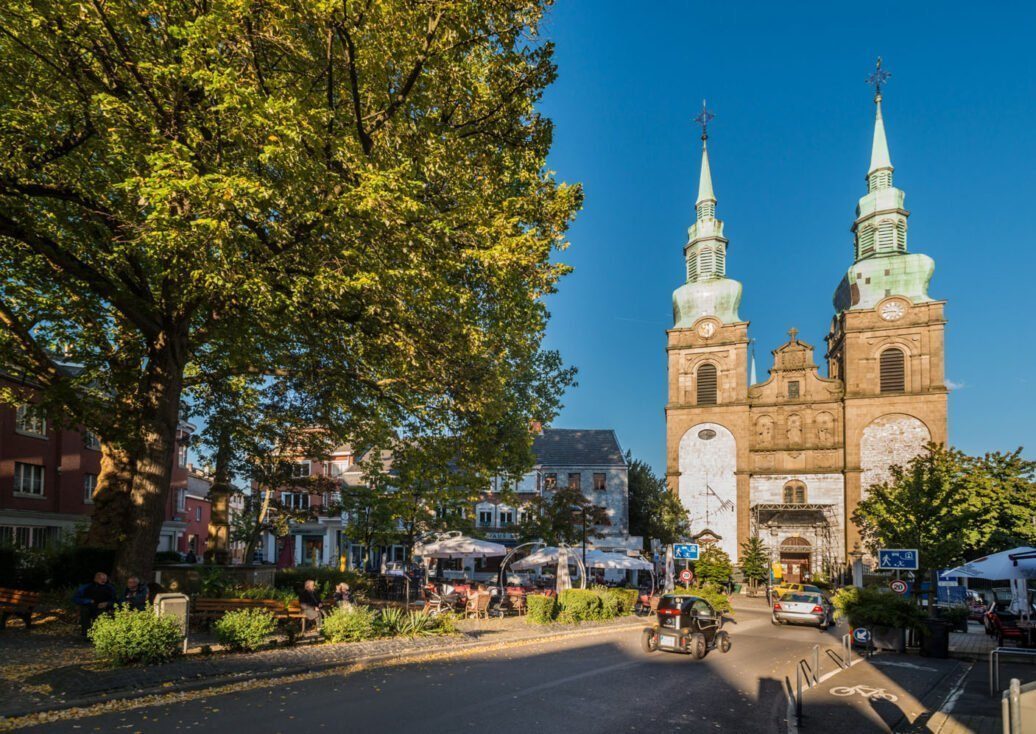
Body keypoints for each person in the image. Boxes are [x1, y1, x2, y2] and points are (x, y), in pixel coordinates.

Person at [72, 572, 117, 637]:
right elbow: (76, 598)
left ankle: (99, 635)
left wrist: (107, 603)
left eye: (105, 579)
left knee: (102, 613)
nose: (103, 580)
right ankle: (86, 634)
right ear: (95, 579)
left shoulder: (110, 588)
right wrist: (88, 601)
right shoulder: (86, 587)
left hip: (103, 607)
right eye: (101, 578)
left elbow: (115, 600)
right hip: (89, 606)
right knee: (85, 611)